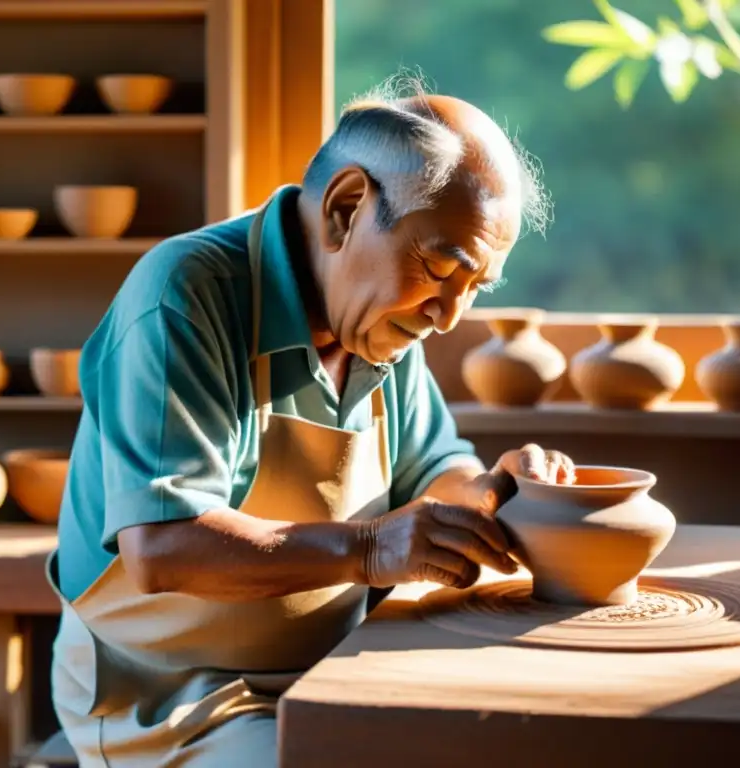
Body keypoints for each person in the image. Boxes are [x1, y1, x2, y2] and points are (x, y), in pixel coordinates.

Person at [48, 83, 574, 767]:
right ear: (346, 208)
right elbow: (162, 546)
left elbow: (435, 474)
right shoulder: (185, 293)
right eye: (441, 268)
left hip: (342, 664)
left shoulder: (381, 323)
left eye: (473, 289)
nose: (448, 316)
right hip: (174, 697)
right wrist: (367, 550)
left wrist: (498, 493)